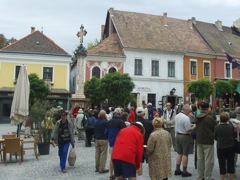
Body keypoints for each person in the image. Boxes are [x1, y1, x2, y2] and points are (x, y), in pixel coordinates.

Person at [196, 102, 217, 180]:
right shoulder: (209, 118)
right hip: (208, 140)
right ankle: (207, 177)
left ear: (200, 108)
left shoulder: (197, 117)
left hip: (199, 140)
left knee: (200, 160)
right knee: (208, 161)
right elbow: (215, 127)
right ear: (208, 108)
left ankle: (199, 176)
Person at [174, 104, 195, 177]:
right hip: (185, 136)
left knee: (179, 153)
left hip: (178, 135)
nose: (190, 112)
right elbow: (188, 129)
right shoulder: (186, 118)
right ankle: (184, 171)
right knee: (185, 154)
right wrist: (194, 127)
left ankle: (177, 169)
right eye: (189, 111)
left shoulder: (177, 116)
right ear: (186, 110)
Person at [106, 107, 127, 179]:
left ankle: (111, 174)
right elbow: (125, 133)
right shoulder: (121, 122)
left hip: (111, 143)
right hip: (119, 143)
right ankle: (120, 174)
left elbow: (106, 133)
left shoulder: (109, 121)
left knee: (112, 158)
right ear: (119, 114)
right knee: (120, 159)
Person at [215, 112, 235, 180]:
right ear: (228, 119)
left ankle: (222, 179)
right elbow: (233, 135)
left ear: (220, 119)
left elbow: (215, 137)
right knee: (231, 164)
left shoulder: (217, 127)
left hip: (220, 147)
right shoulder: (231, 127)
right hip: (230, 147)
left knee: (222, 164)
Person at [135, 107, 154, 180]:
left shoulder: (133, 123)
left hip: (137, 145)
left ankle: (140, 178)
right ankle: (153, 177)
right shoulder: (148, 123)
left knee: (139, 162)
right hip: (147, 144)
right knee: (151, 162)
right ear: (143, 113)